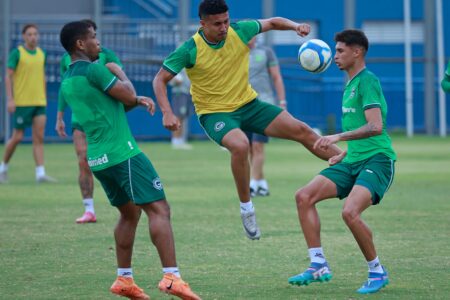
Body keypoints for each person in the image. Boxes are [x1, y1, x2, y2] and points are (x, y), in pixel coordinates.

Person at [153, 0, 341, 241]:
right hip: (215, 113)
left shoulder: (240, 30)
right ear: (202, 24)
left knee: (302, 129)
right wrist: (167, 112)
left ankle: (352, 166)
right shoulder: (190, 49)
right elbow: (160, 79)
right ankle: (247, 208)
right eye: (217, 23)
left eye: (226, 21)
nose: (223, 27)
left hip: (249, 104)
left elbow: (273, 22)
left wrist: (296, 26)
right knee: (241, 145)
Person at [59, 21, 201, 300]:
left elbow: (120, 103)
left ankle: (124, 279)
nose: (98, 43)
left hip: (99, 158)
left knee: (129, 213)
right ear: (80, 44)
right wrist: (118, 71)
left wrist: (132, 99)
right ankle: (171, 276)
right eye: (93, 38)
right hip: (123, 153)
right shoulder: (95, 70)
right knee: (160, 209)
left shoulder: (67, 79)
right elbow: (126, 94)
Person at [288, 29, 396, 295]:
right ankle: (317, 264)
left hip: (378, 160)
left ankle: (377, 271)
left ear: (357, 52)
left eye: (340, 51)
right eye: (335, 51)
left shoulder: (367, 81)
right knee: (304, 196)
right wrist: (344, 153)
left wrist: (337, 136)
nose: (334, 56)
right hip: (353, 160)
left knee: (350, 212)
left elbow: (375, 127)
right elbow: (364, 131)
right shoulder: (349, 84)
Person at [56, 19, 122, 224]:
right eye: (92, 35)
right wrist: (59, 116)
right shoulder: (67, 60)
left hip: (104, 120)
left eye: (94, 35)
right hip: (79, 119)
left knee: (115, 160)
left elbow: (119, 86)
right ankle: (89, 209)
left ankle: (126, 204)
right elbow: (64, 87)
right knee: (83, 160)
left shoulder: (107, 56)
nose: (96, 39)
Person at [0, 24, 56, 183]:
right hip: (23, 103)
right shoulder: (17, 53)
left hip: (39, 102)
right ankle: (3, 168)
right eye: (30, 34)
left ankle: (40, 174)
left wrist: (44, 97)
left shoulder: (41, 54)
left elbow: (42, 77)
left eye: (35, 34)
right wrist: (10, 99)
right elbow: (8, 77)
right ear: (24, 36)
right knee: (17, 137)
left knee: (39, 138)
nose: (33, 37)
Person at [246, 36, 286, 197]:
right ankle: (261, 183)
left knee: (257, 145)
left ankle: (253, 184)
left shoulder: (266, 52)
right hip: (243, 105)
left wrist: (282, 101)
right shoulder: (235, 52)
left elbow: (276, 77)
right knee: (247, 147)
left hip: (264, 104)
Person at [168, 69, 195, 150]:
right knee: (178, 116)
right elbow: (170, 79)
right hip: (179, 93)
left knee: (182, 117)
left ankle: (180, 140)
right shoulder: (177, 64)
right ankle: (176, 140)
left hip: (187, 93)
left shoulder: (188, 65)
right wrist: (176, 80)